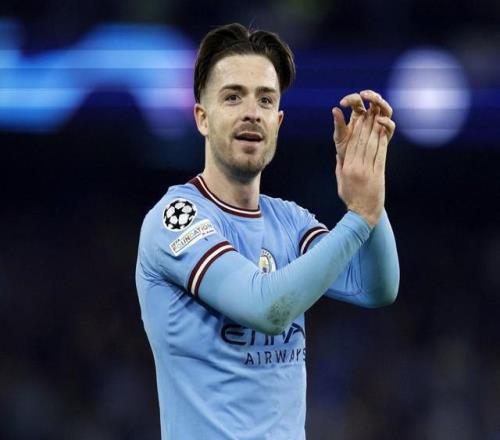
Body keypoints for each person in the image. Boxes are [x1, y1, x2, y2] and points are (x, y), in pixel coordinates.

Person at [135, 22, 399, 440]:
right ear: (202, 118)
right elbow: (267, 309)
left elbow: (375, 287)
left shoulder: (289, 221)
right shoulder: (175, 218)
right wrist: (358, 218)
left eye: (265, 99)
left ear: (277, 121)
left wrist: (369, 199)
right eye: (232, 97)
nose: (251, 112)